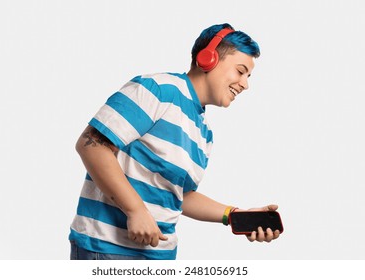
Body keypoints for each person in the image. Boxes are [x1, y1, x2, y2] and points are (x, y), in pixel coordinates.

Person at [69, 23, 281, 260]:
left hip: (162, 256)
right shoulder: (158, 90)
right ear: (208, 58)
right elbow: (92, 145)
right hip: (107, 248)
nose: (245, 84)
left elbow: (180, 196)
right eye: (240, 71)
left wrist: (235, 215)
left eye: (248, 76)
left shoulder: (204, 133)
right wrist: (135, 209)